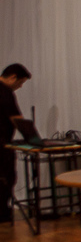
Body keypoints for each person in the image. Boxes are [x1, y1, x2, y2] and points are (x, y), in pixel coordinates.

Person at [0, 63, 31, 223]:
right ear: (13, 77)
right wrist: (32, 138)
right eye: (20, 83)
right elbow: (16, 119)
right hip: (1, 143)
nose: (20, 87)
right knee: (6, 177)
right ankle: (2, 213)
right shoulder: (5, 92)